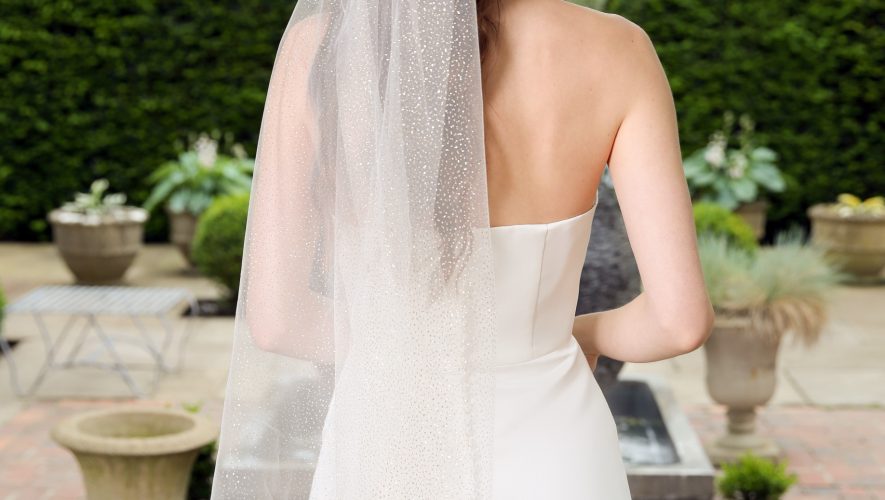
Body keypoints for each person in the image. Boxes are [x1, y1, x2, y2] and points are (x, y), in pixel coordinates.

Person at [210, 0, 713, 498]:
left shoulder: (324, 46)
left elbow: (278, 322)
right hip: (555, 449)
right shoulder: (618, 49)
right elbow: (679, 323)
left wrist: (400, 340)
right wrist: (584, 333)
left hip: (385, 448)